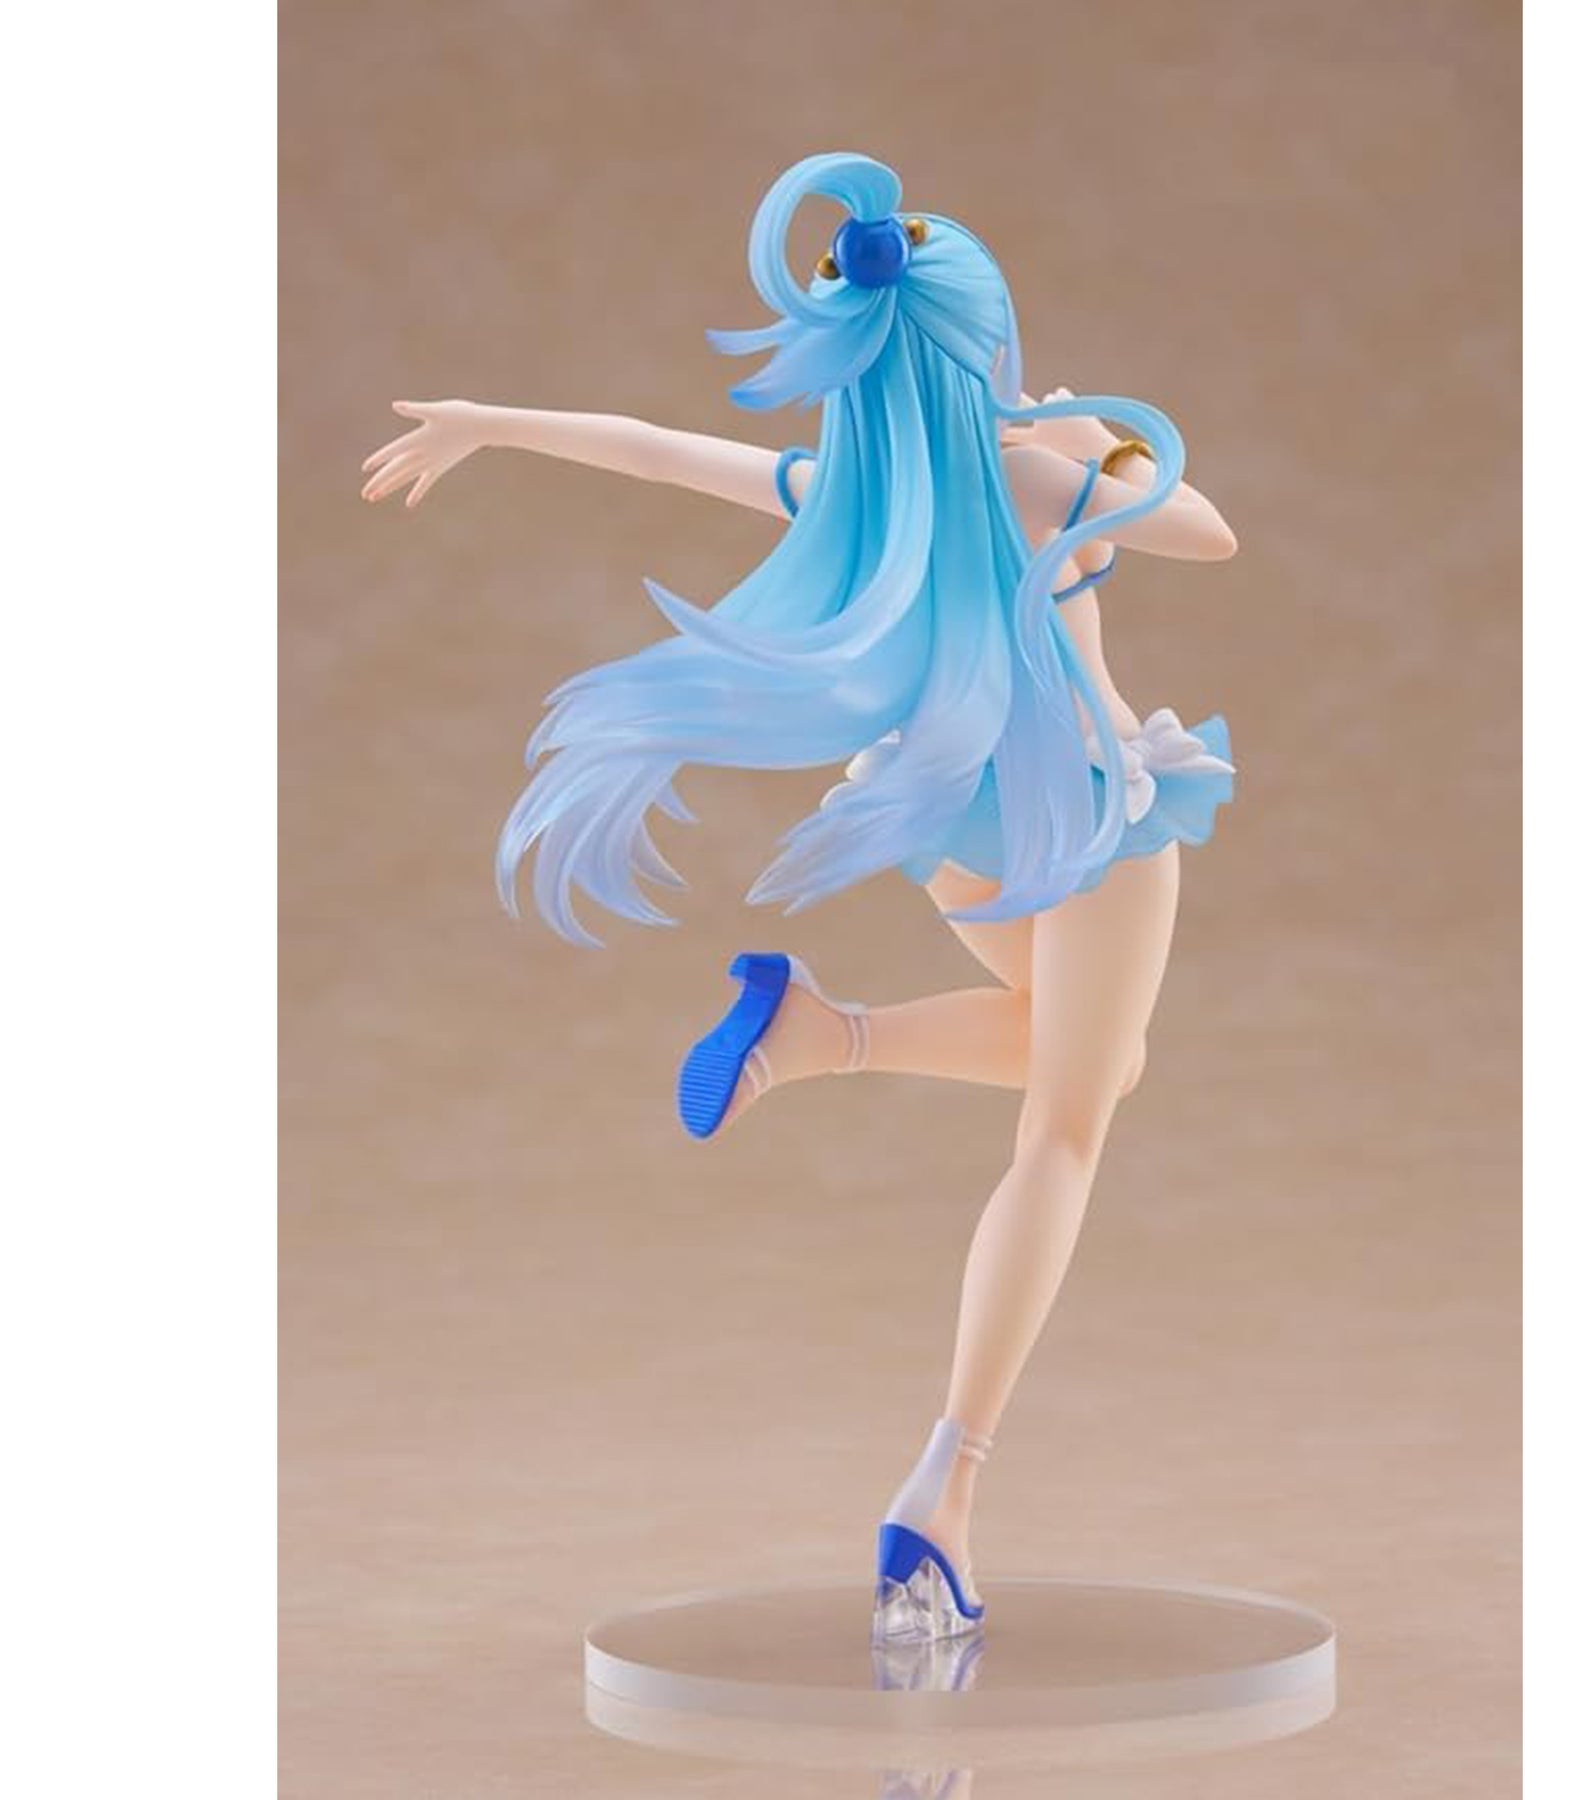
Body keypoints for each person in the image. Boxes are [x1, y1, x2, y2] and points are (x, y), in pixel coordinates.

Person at [361, 151, 1239, 1646]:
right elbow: (1207, 531)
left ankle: (821, 1035)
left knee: (1091, 1056)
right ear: (985, 343)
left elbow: (656, 451)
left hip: (950, 823)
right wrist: (1104, 448)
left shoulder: (846, 491)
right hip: (1090, 811)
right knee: (1066, 1129)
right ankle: (948, 1484)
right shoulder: (1037, 474)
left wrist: (492, 424)